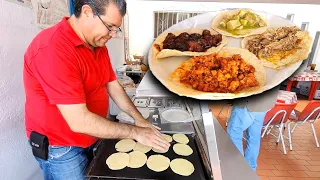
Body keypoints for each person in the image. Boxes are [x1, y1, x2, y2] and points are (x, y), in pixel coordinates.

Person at [23, 0, 170, 179]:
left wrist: (140, 121)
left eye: (116, 28)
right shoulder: (53, 48)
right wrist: (135, 132)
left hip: (90, 138)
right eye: (110, 26)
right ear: (87, 12)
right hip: (61, 148)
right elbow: (79, 121)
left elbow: (113, 86)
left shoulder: (97, 46)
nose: (113, 35)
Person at [227, 85, 280, 171]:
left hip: (249, 102)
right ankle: (250, 169)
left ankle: (238, 170)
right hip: (265, 102)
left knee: (233, 134)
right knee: (254, 137)